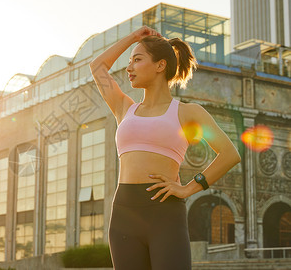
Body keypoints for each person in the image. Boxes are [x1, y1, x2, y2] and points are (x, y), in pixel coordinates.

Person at [89, 26, 241, 270]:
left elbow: (230, 154)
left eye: (137, 60)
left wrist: (188, 188)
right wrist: (133, 38)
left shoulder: (188, 112)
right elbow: (97, 67)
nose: (129, 68)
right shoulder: (124, 109)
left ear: (160, 65)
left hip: (165, 215)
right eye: (130, 61)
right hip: (124, 214)